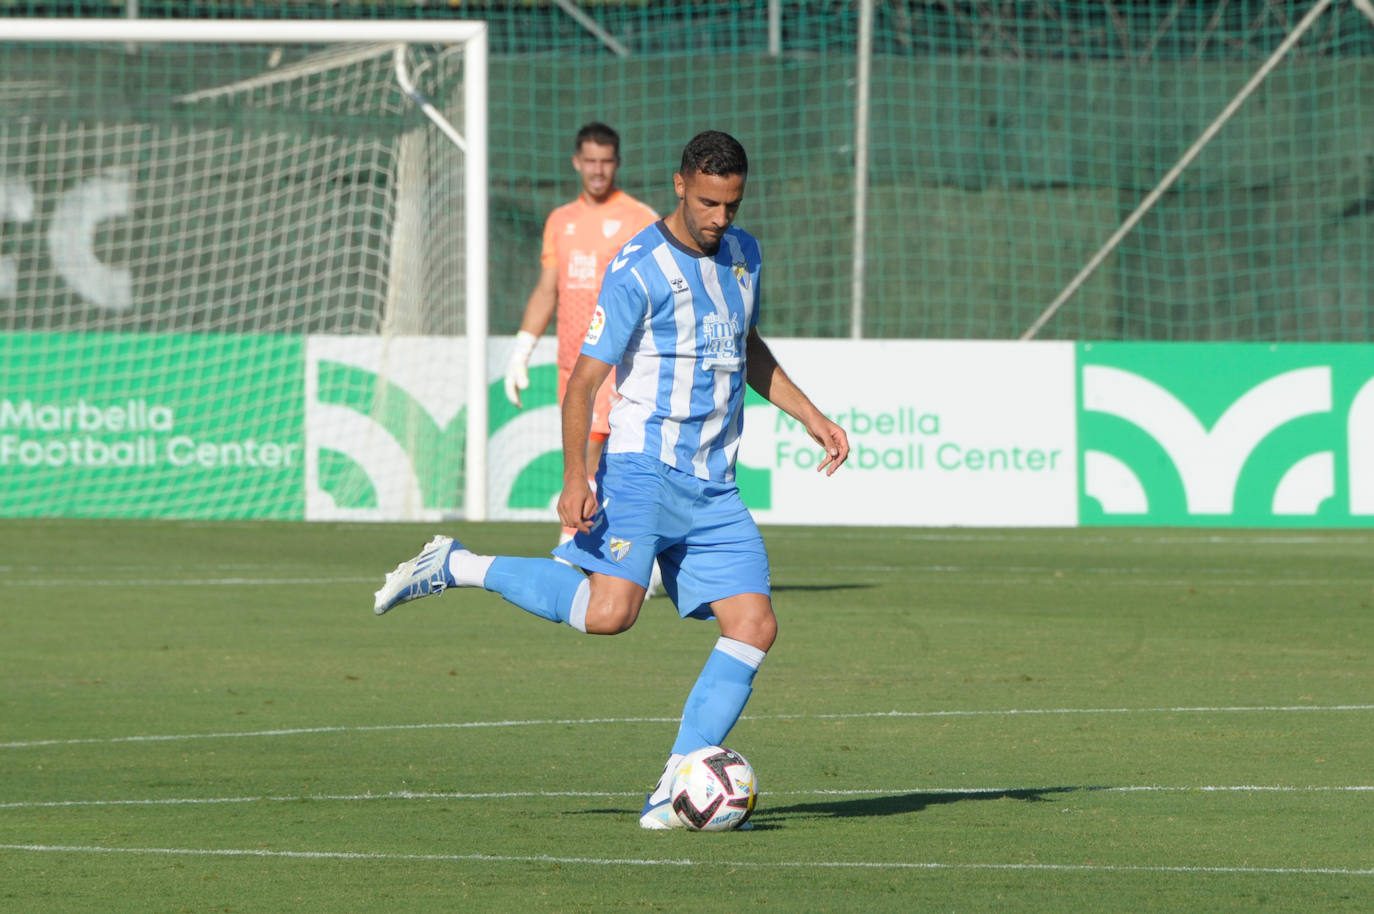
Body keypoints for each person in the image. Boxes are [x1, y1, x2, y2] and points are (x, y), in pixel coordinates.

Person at [373, 130, 850, 830]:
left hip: (714, 484)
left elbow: (743, 344)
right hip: (641, 467)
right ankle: (458, 564)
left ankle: (672, 788)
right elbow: (584, 383)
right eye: (710, 203)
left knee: (754, 626)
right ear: (682, 184)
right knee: (610, 614)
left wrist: (810, 413)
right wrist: (576, 474)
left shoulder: (745, 253)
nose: (721, 218)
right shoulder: (638, 267)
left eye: (733, 204)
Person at [504, 122, 660, 578]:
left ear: (617, 163)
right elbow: (547, 289)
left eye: (605, 161)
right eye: (589, 161)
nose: (597, 170)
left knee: (618, 459)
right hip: (574, 363)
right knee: (588, 460)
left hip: (621, 362)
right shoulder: (560, 220)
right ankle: (601, 551)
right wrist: (522, 349)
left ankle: (603, 553)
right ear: (577, 162)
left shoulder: (639, 219)